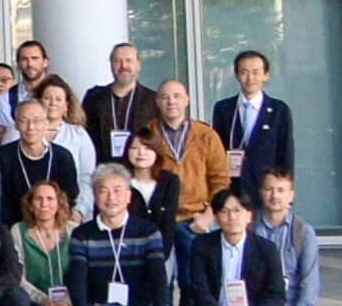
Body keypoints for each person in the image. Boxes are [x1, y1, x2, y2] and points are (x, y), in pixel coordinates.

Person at [68, 165, 171, 306]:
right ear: (95, 196)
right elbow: (77, 280)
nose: (111, 197)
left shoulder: (148, 232)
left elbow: (159, 279)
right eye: (104, 191)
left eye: (117, 190)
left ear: (129, 196)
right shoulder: (82, 234)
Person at [180, 192, 295, 306]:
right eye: (225, 211)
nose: (232, 217)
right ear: (216, 217)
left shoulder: (266, 248)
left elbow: (277, 295)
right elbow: (198, 286)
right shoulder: (203, 245)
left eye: (237, 210)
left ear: (249, 216)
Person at [248, 168, 320, 306]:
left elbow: (310, 281)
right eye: (269, 189)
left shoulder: (303, 231)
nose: (274, 196)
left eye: (281, 190)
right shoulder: (249, 226)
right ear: (261, 192)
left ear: (291, 195)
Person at [13, 181, 78, 306]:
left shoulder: (73, 231)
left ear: (59, 203)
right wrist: (42, 300)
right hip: (35, 303)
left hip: (68, 305)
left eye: (50, 199)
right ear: (30, 205)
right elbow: (18, 276)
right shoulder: (18, 231)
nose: (44, 204)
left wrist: (67, 301)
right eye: (38, 199)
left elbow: (81, 274)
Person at [152, 79, 231, 232]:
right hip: (159, 219)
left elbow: (220, 180)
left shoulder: (206, 135)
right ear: (157, 102)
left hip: (197, 219)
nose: (171, 101)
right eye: (165, 97)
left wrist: (208, 215)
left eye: (177, 96)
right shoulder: (148, 134)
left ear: (187, 100)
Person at [216, 52, 292, 205]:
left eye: (256, 72)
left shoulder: (279, 110)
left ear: (266, 75)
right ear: (237, 75)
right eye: (244, 72)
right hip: (234, 193)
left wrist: (285, 194)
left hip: (267, 194)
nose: (250, 78)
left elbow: (286, 153)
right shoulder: (223, 108)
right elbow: (217, 152)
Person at [0, 99, 81, 217]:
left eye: (36, 121)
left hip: (56, 222)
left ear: (46, 123)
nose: (30, 127)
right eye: (24, 121)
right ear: (16, 125)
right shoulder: (2, 157)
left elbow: (69, 197)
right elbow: (1, 202)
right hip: (15, 223)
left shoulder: (62, 156)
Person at [82, 44, 160, 163]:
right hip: (102, 167)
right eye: (117, 61)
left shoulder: (152, 100)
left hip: (139, 168)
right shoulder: (94, 98)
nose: (123, 66)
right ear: (111, 65)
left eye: (129, 61)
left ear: (138, 65)